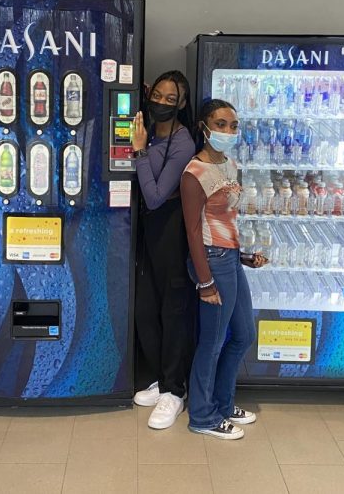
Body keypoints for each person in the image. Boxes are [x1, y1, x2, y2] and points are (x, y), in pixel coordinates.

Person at [181, 99, 268, 440]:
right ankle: (202, 416)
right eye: (220, 124)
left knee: (243, 335)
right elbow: (192, 231)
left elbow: (227, 219)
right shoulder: (194, 173)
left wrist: (244, 255)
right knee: (212, 342)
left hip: (230, 258)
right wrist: (205, 282)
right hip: (211, 261)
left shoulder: (231, 165)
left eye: (233, 125)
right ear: (204, 128)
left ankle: (221, 402)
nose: (229, 131)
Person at [130, 71, 198, 429]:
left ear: (182, 104)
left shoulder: (183, 142)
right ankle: (160, 380)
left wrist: (139, 151)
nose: (163, 102)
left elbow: (156, 197)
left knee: (173, 312)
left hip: (171, 229)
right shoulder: (147, 128)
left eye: (171, 99)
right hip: (147, 231)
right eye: (158, 95)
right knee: (146, 309)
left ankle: (175, 390)